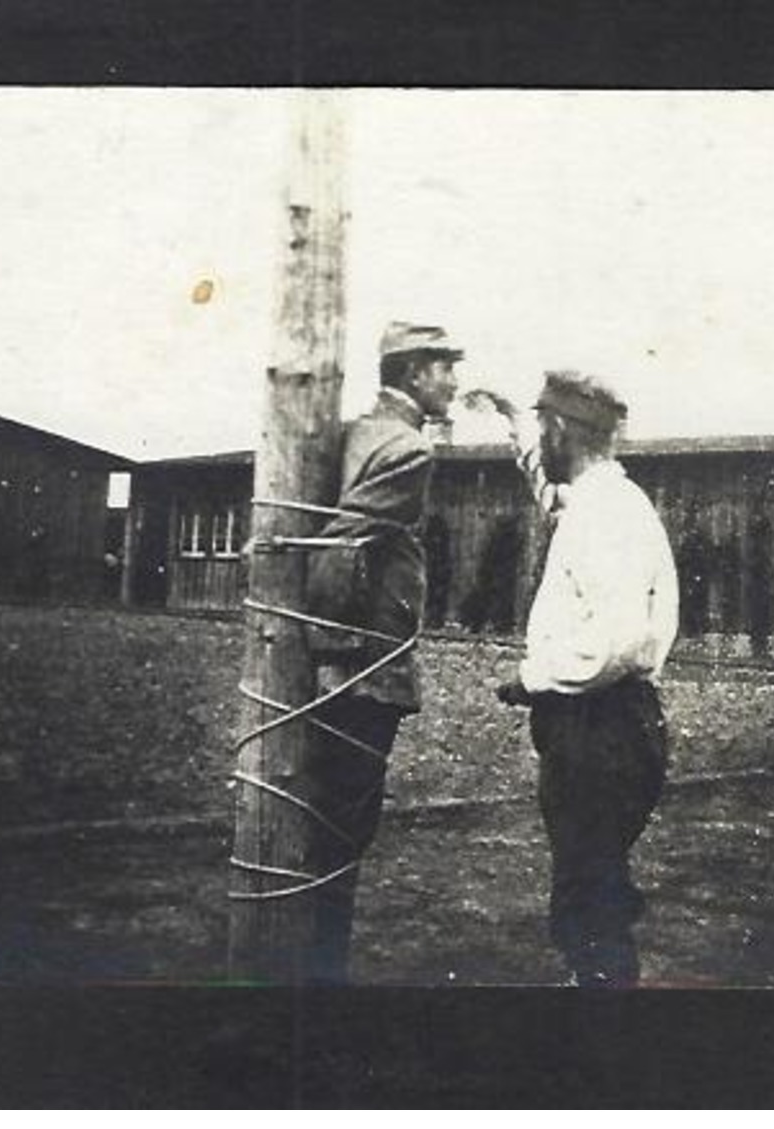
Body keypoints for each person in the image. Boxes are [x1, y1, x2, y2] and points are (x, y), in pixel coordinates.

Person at [472, 371, 679, 987]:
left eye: (543, 427)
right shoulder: (597, 501)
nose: (541, 439)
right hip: (604, 725)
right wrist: (513, 422)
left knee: (589, 898)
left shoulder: (607, 516)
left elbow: (613, 644)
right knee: (591, 883)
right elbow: (549, 490)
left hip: (600, 729)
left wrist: (532, 677)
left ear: (562, 429)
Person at [299, 320, 462, 982]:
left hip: (336, 666)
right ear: (414, 373)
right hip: (362, 672)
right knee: (342, 832)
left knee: (322, 821)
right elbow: (341, 547)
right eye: (444, 367)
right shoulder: (407, 450)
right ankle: (319, 983)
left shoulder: (353, 434)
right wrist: (334, 649)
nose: (453, 379)